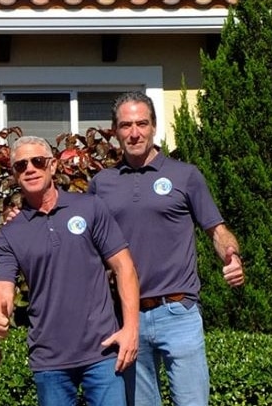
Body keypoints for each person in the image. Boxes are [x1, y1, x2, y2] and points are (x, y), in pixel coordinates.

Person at [87, 91, 246, 406]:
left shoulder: (184, 175)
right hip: (127, 317)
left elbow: (217, 230)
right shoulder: (102, 184)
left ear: (154, 126)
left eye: (142, 124)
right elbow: (86, 243)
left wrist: (232, 256)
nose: (134, 133)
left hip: (179, 312)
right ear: (115, 131)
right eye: (126, 125)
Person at [0, 135, 141, 406]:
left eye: (37, 161)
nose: (30, 169)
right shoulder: (9, 234)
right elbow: (2, 287)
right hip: (49, 359)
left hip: (103, 351)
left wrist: (130, 328)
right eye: (21, 165)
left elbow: (124, 267)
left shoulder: (90, 207)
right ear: (13, 174)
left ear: (53, 165)